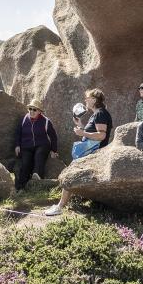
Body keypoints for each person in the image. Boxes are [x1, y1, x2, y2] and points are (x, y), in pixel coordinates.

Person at [45, 88, 112, 216]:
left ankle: (59, 207)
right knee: (72, 175)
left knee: (70, 175)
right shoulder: (97, 114)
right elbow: (93, 134)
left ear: (94, 100)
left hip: (93, 154)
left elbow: (102, 136)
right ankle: (62, 204)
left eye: (87, 98)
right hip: (92, 153)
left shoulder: (100, 114)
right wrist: (81, 126)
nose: (85, 101)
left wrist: (83, 132)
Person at [14, 99, 58, 191]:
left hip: (42, 145)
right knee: (25, 163)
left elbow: (53, 136)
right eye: (30, 109)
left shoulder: (46, 121)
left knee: (39, 155)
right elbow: (18, 133)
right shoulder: (24, 119)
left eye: (34, 109)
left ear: (39, 111)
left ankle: (37, 175)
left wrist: (54, 150)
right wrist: (17, 145)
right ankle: (20, 188)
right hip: (27, 146)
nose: (31, 111)